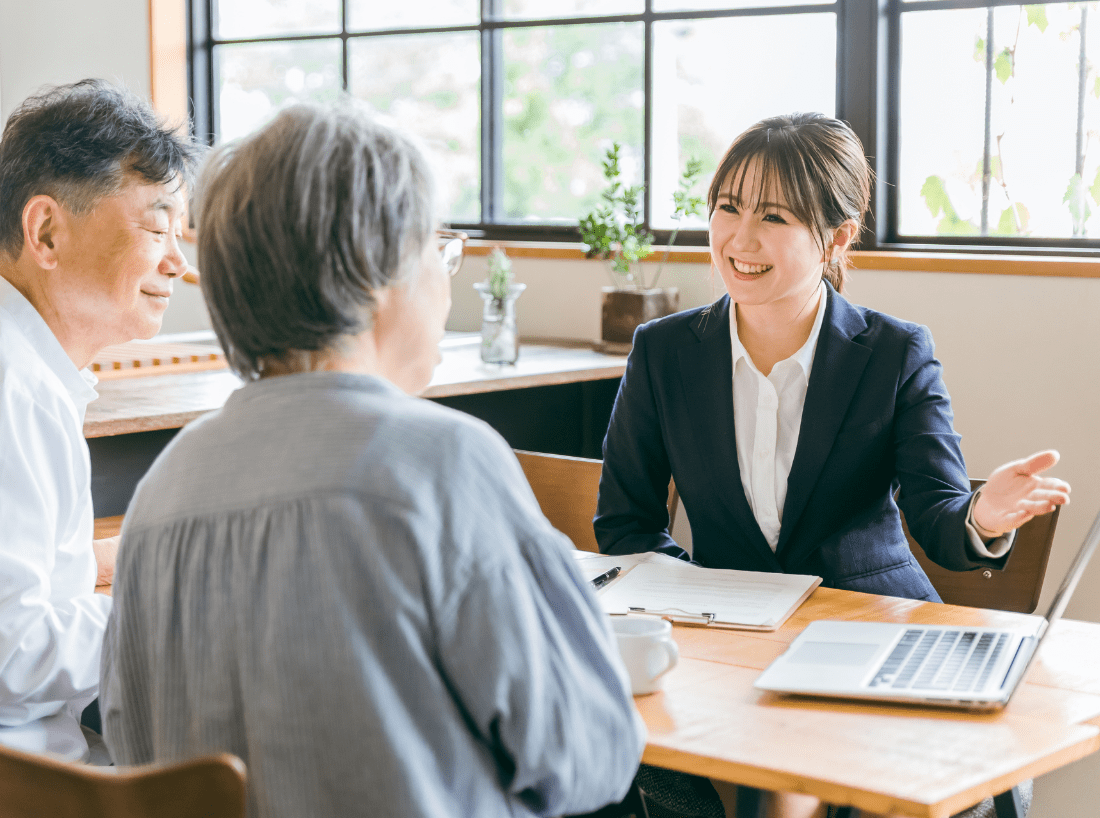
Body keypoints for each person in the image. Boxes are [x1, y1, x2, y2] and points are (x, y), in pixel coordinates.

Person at [99, 102, 645, 818]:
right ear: (375, 272)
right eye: (438, 253)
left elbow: (131, 743)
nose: (445, 284)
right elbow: (585, 755)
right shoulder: (442, 461)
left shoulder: (165, 487)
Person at [594, 113, 1067, 818]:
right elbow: (625, 522)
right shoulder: (663, 352)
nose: (739, 239)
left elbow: (938, 517)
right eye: (728, 208)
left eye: (775, 216)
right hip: (728, 651)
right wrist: (707, 595)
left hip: (871, 639)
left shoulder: (896, 352)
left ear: (837, 237)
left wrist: (983, 517)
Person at [0, 79, 199, 762]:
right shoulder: (13, 388)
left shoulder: (28, 366)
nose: (179, 262)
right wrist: (174, 605)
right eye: (157, 227)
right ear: (46, 231)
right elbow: (13, 656)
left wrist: (113, 562)